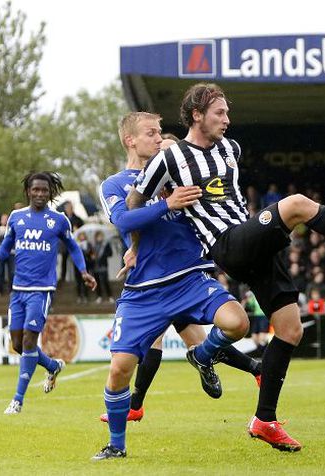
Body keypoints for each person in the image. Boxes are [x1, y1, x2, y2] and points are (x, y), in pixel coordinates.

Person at [127, 83, 325, 451]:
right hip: (227, 245)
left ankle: (264, 420)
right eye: (219, 112)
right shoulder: (168, 160)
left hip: (250, 240)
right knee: (297, 204)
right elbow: (134, 203)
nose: (227, 119)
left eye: (227, 112)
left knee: (290, 330)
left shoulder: (230, 149)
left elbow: (229, 197)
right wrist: (135, 247)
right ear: (196, 115)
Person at [93, 113, 260, 460]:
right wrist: (166, 206)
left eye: (159, 133)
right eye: (150, 133)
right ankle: (116, 445)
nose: (158, 138)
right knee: (119, 369)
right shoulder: (114, 184)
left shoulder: (179, 174)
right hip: (144, 291)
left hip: (190, 278)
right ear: (130, 140)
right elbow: (124, 218)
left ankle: (201, 355)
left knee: (238, 323)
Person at [0, 172, 97, 414]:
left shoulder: (58, 220)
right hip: (18, 290)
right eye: (35, 190)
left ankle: (17, 400)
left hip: (42, 290)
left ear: (50, 193)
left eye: (44, 190)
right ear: (28, 191)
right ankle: (52, 365)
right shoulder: (16, 217)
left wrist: (83, 271)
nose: (39, 194)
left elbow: (73, 247)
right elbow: (6, 245)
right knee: (17, 344)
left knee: (29, 340)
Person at [93, 230, 113, 303]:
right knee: (97, 282)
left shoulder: (106, 244)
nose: (99, 238)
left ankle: (110, 296)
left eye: (100, 236)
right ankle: (99, 296)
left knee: (105, 281)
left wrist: (104, 255)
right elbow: (90, 255)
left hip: (103, 265)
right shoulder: (93, 245)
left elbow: (110, 254)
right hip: (95, 265)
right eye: (98, 236)